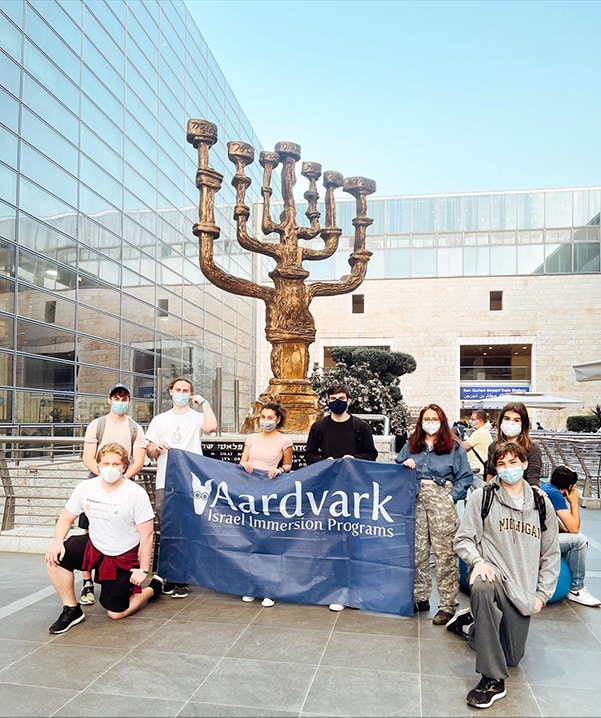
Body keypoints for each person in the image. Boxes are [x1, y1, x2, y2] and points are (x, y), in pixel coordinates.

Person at [449, 441, 559, 709]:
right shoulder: (483, 498)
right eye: (501, 464)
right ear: (496, 468)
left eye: (513, 463)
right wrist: (477, 561)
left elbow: (551, 555)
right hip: (494, 579)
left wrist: (542, 596)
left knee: (512, 657)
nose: (508, 469)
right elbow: (463, 539)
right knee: (482, 587)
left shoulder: (542, 506)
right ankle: (491, 680)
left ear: (524, 464)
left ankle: (471, 626)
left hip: (522, 592)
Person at [44, 442, 164, 634]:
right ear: (98, 465)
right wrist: (57, 542)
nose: (111, 468)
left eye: (116, 464)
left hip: (123, 555)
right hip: (95, 546)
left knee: (116, 613)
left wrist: (143, 569)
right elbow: (66, 518)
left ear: (124, 467)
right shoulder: (86, 488)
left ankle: (154, 588)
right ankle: (71, 609)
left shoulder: (135, 493)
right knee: (54, 558)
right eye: (106, 463)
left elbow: (147, 535)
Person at [395, 404, 473, 625]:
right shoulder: (411, 445)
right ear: (420, 422)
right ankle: (420, 596)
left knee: (445, 553)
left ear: (442, 421)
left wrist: (451, 497)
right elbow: (397, 465)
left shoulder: (454, 447)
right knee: (418, 551)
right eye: (426, 418)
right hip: (416, 500)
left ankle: (447, 604)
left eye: (434, 418)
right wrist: (404, 465)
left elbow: (465, 477)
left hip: (441, 499)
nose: (430, 422)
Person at [305, 383, 378, 611]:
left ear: (349, 400)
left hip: (353, 493)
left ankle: (353, 589)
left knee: (352, 541)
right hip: (326, 492)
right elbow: (309, 455)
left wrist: (353, 459)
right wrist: (322, 462)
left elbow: (371, 454)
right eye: (333, 397)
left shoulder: (360, 426)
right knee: (328, 541)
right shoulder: (318, 427)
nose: (337, 401)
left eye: (342, 397)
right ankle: (332, 589)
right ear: (327, 401)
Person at [146, 376, 217, 599]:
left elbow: (211, 426)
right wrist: (156, 447)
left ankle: (183, 577)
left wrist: (204, 403)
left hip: (190, 482)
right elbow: (149, 450)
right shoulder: (160, 420)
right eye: (178, 389)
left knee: (187, 527)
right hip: (166, 480)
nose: (182, 393)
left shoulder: (195, 418)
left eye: (186, 390)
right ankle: (167, 573)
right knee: (167, 527)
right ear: (170, 391)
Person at [79, 383, 147, 606]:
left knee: (127, 529)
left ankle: (123, 574)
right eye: (116, 398)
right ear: (109, 400)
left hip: (124, 482)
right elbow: (88, 456)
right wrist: (103, 476)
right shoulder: (96, 425)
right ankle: (87, 581)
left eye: (124, 398)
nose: (120, 402)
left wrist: (122, 477)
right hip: (96, 481)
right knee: (89, 530)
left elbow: (138, 459)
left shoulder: (135, 428)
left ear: (129, 401)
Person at [239, 402, 293, 608]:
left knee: (268, 541)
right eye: (263, 417)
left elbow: (288, 465)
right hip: (249, 494)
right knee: (249, 539)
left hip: (270, 494)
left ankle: (269, 588)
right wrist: (244, 464)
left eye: (270, 417)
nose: (266, 421)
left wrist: (280, 470)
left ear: (278, 419)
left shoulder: (284, 440)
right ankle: (251, 586)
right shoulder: (251, 438)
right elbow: (243, 461)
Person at [539, 465, 601, 606]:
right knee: (579, 541)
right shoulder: (555, 494)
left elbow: (555, 523)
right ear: (571, 487)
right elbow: (574, 529)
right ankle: (576, 588)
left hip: (537, 538)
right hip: (540, 543)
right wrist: (574, 503)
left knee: (571, 538)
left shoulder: (546, 488)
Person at [485, 402, 542, 485]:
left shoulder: (532, 449)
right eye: (507, 419)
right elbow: (490, 473)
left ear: (523, 424)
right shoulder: (493, 447)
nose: (511, 423)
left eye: (516, 420)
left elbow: (533, 480)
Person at [462, 410, 492, 490]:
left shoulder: (481, 432)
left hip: (478, 470)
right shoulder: (482, 432)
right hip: (478, 470)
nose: (471, 421)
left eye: (473, 419)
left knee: (478, 495)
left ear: (480, 421)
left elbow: (465, 446)